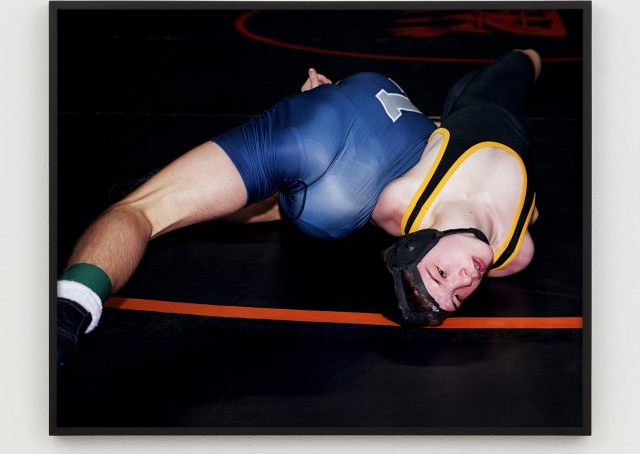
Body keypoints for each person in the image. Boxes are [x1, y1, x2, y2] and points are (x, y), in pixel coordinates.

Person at [57, 50, 541, 371]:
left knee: (148, 210)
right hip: (373, 137)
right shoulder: (503, 244)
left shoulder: (405, 200)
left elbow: (420, 145)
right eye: (453, 287)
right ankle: (73, 306)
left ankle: (69, 312)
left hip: (350, 126)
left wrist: (327, 102)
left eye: (445, 283)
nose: (465, 282)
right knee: (517, 68)